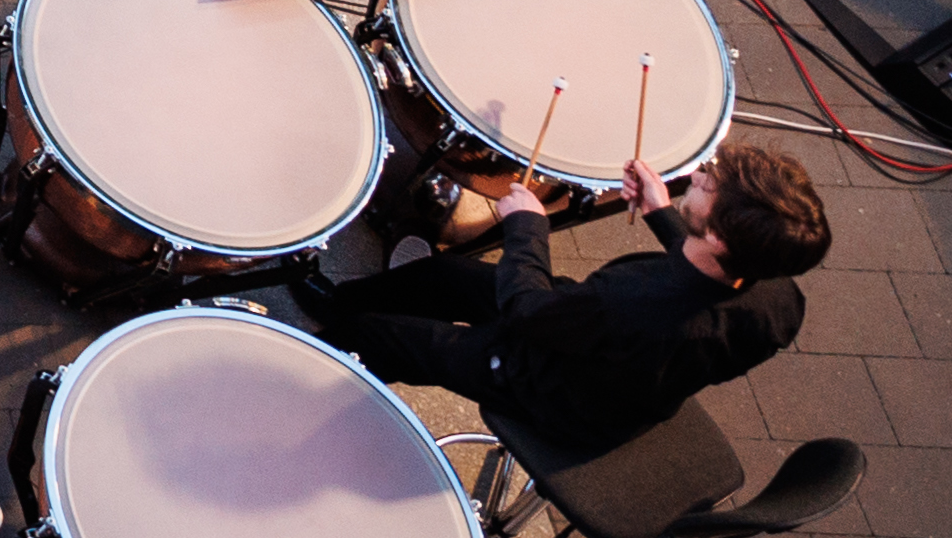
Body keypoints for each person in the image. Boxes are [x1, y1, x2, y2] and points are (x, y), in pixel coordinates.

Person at [299, 148, 826, 464]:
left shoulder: (634, 303)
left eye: (713, 187)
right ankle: (336, 303)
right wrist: (661, 212)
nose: (704, 175)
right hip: (605, 360)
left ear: (719, 238)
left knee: (381, 336)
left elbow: (529, 312)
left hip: (554, 390)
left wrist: (527, 226)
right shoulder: (780, 296)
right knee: (443, 274)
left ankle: (299, 366)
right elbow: (707, 277)